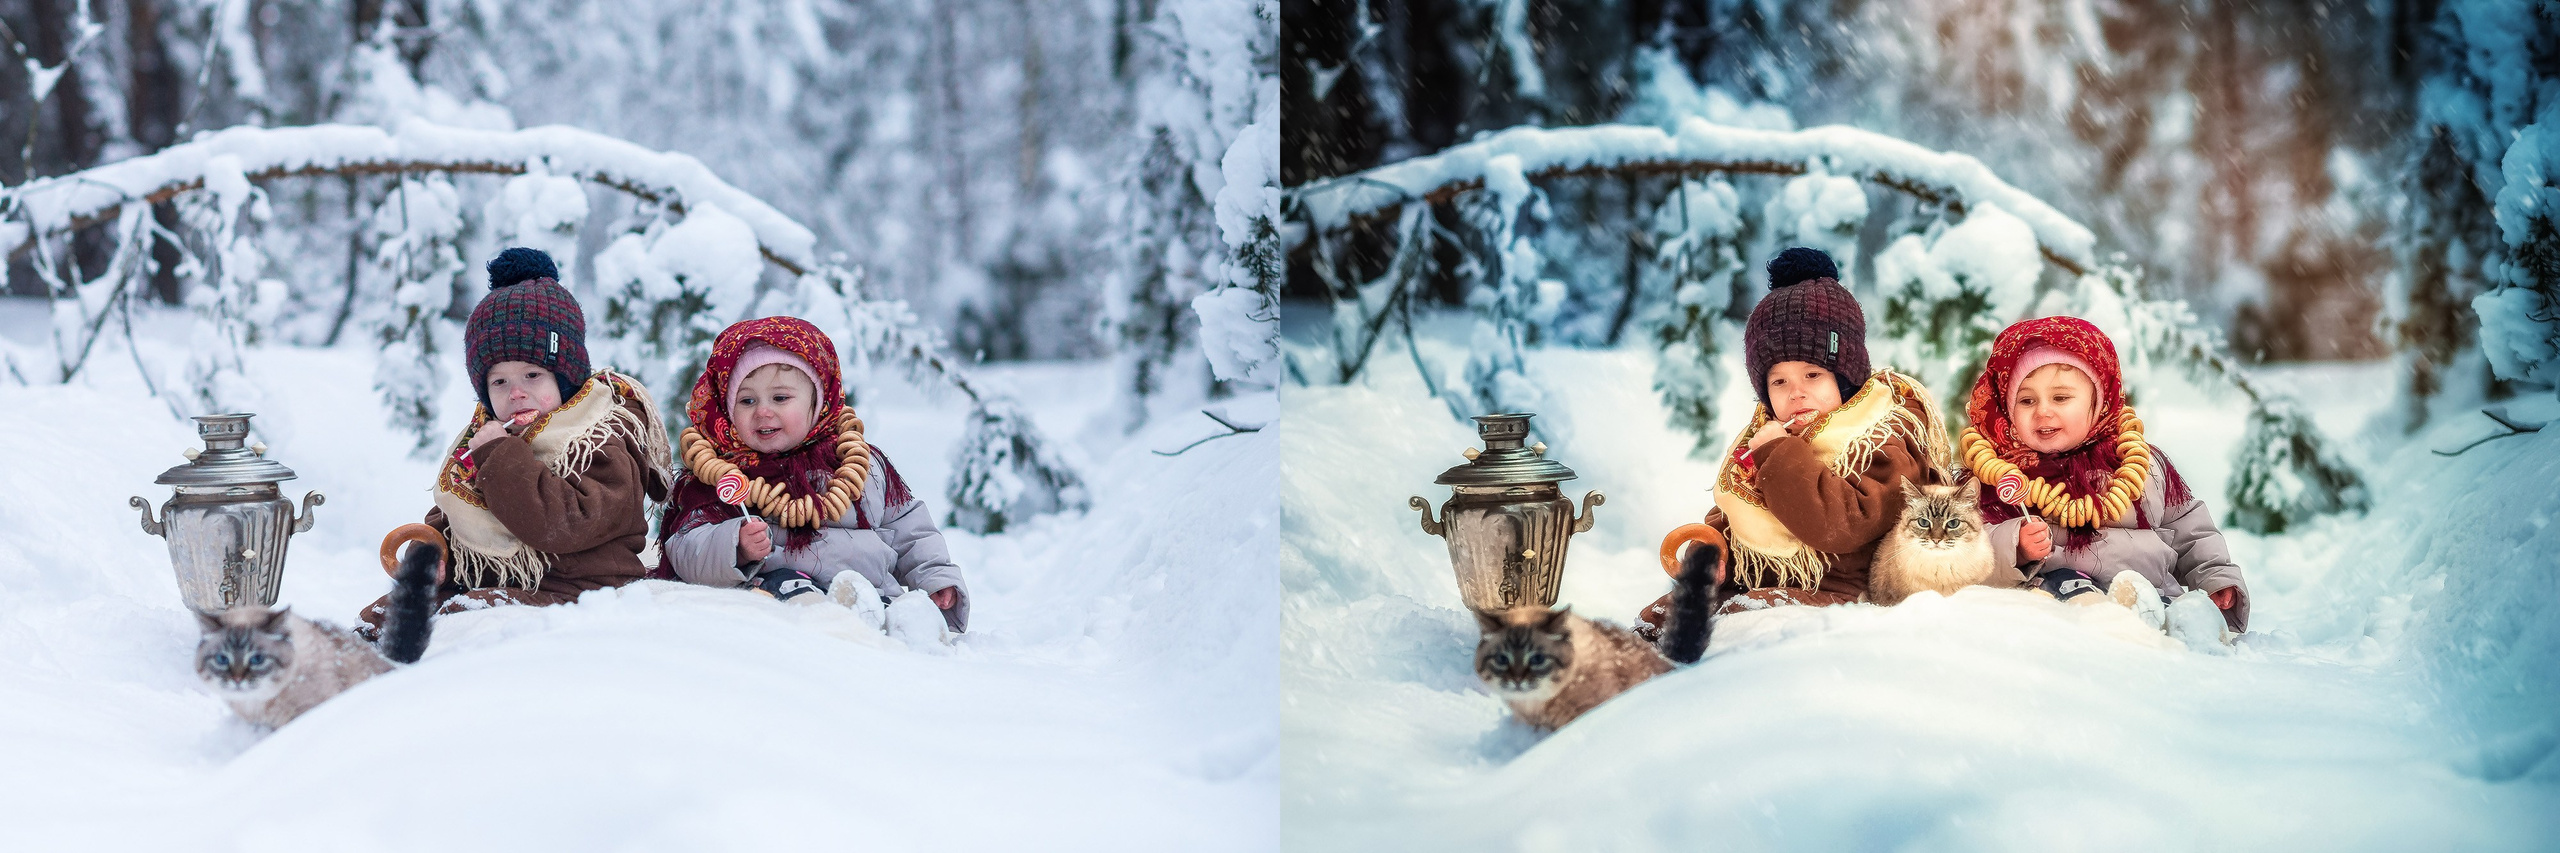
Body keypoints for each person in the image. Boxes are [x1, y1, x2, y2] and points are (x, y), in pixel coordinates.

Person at [1636, 247, 1966, 638]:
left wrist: (1778, 454)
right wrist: (1710, 555)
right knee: (1658, 618)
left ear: (1845, 378)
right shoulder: (1768, 436)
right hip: (1755, 578)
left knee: (1746, 618)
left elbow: (1841, 526)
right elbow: (1732, 516)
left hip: (1842, 590)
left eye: (1813, 375)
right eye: (1779, 381)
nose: (1796, 394)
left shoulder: (1882, 438)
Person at [356, 247, 672, 639]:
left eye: (533, 375)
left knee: (467, 614)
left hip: (583, 590)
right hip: (497, 583)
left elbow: (564, 526)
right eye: (499, 382)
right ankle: (352, 667)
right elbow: (457, 518)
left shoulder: (600, 437)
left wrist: (501, 457)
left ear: (567, 377)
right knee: (385, 615)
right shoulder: (489, 436)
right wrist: (439, 556)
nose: (516, 393)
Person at [655, 317, 970, 632]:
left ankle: (911, 631)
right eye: (747, 400)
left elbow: (910, 531)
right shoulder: (723, 474)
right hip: (781, 599)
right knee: (792, 593)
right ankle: (831, 624)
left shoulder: (859, 463)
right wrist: (735, 545)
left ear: (817, 403)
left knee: (896, 614)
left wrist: (935, 577)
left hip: (870, 594)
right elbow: (685, 547)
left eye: (780, 398)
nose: (763, 411)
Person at [1958, 316, 2250, 634]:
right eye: (2026, 400)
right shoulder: (1998, 476)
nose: (2042, 411)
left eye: (2061, 398)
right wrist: (2015, 545)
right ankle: (2109, 627)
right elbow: (1965, 547)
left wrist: (2215, 577)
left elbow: (2191, 531)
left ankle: (2188, 630)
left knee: (2170, 611)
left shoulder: (2141, 464)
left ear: (2098, 402)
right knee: (2068, 591)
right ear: (2007, 410)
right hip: (2059, 600)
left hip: (2151, 594)